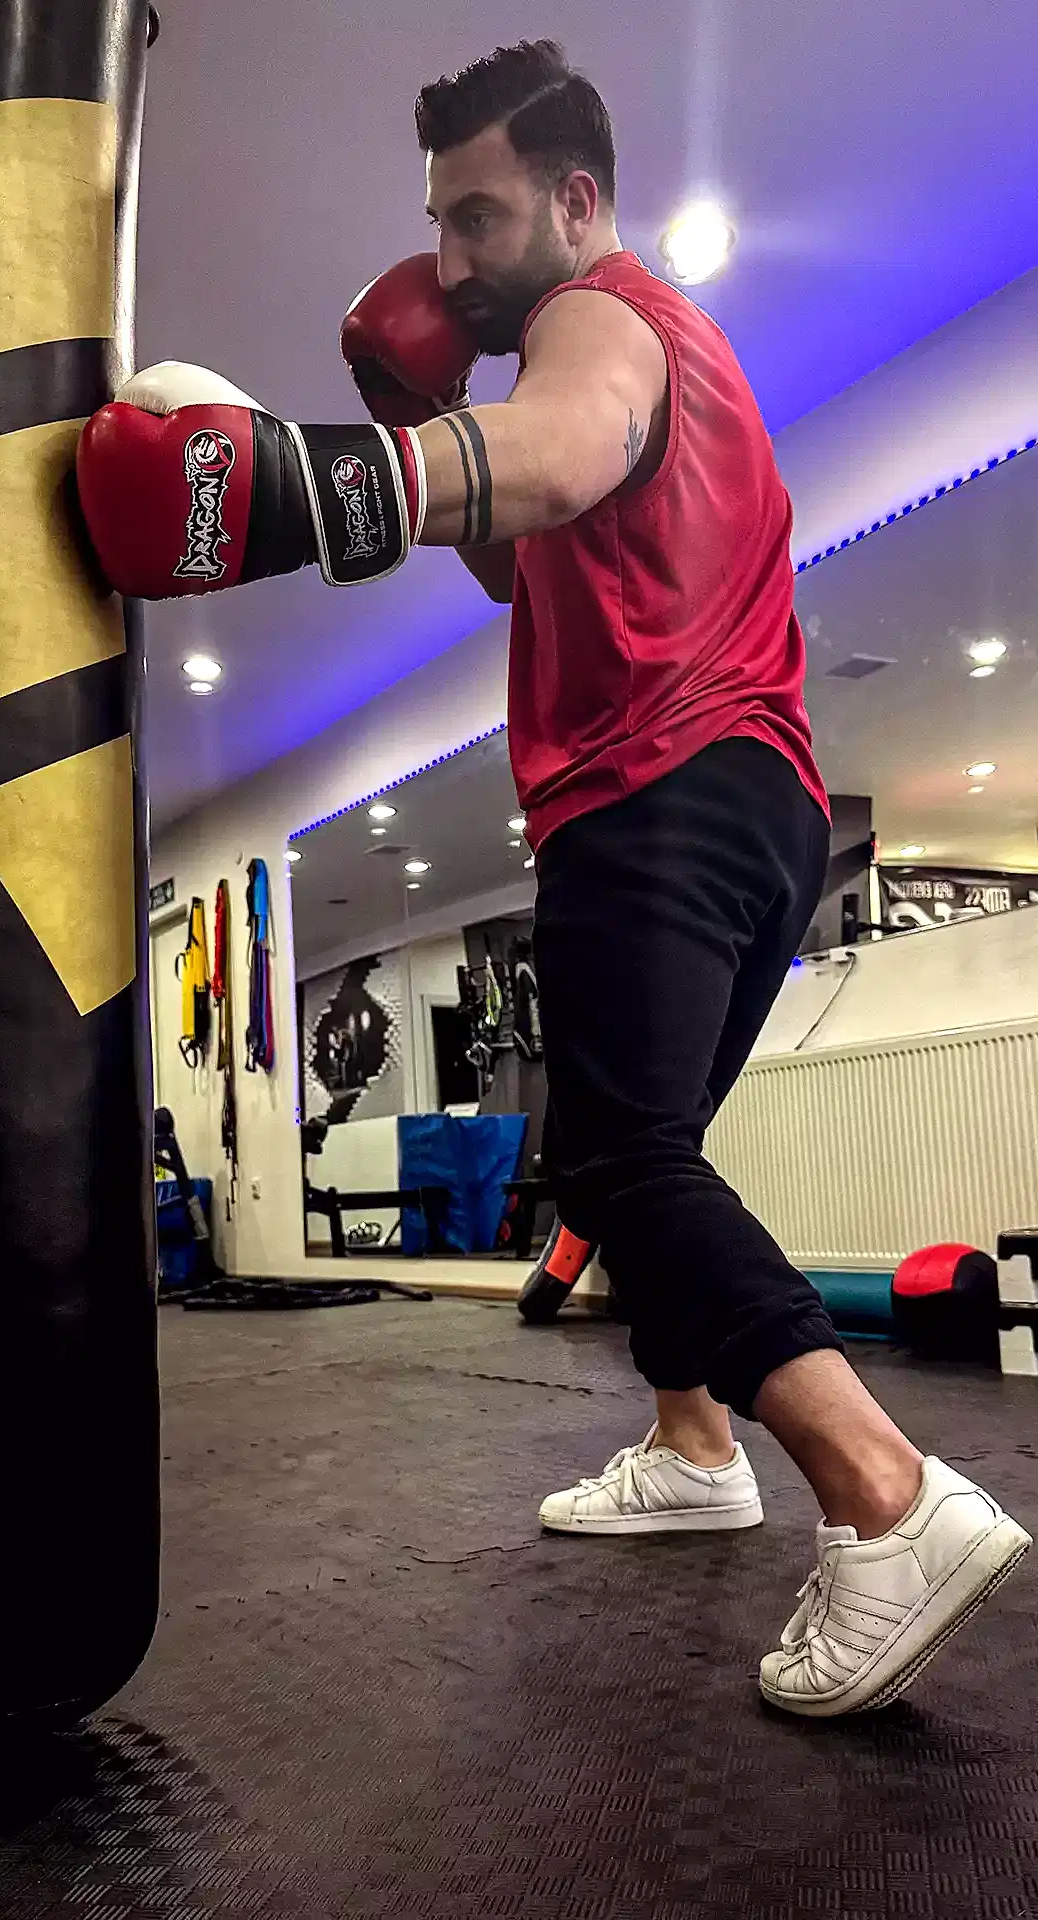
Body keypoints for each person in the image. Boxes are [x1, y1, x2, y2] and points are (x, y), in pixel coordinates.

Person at [76, 40, 1029, 1717]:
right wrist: (419, 422)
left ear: (577, 201)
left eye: (478, 217)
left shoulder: (605, 316)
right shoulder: (674, 360)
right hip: (759, 802)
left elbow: (565, 451)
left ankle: (885, 1493)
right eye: (438, 224)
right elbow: (527, 560)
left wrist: (298, 481)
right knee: (644, 1153)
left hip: (652, 782)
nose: (449, 262)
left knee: (617, 1158)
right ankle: (693, 1444)